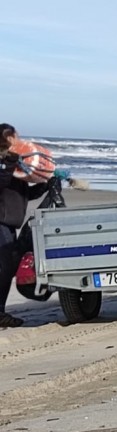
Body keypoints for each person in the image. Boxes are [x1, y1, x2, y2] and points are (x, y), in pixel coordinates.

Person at [0, 124, 48, 327]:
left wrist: (46, 185)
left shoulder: (15, 166)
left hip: (9, 222)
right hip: (1, 222)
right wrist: (10, 161)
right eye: (16, 136)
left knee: (6, 268)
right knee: (4, 268)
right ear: (9, 137)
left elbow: (24, 196)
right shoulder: (5, 164)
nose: (19, 140)